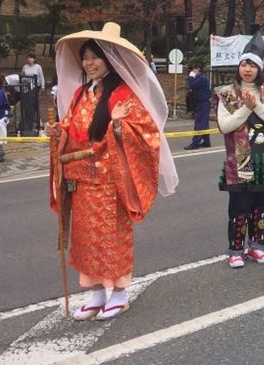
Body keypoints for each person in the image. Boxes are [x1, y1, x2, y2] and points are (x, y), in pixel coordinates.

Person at [46, 22, 178, 321]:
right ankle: (95, 293)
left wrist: (118, 125)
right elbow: (70, 127)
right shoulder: (81, 93)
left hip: (108, 180)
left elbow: (145, 134)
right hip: (79, 181)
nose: (89, 63)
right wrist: (57, 133)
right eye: (86, 57)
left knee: (111, 237)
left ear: (110, 59)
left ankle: (119, 293)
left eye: (95, 57)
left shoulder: (124, 95)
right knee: (84, 240)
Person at [216, 32, 264, 268]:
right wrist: (246, 108)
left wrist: (258, 106)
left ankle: (257, 246)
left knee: (260, 205)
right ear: (238, 66)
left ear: (259, 69)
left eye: (253, 65)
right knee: (239, 205)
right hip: (239, 158)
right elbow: (225, 126)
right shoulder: (226, 94)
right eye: (244, 63)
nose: (247, 69)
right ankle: (235, 249)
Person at [185, 63, 212, 150]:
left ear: (198, 69)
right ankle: (207, 141)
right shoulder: (200, 78)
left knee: (199, 123)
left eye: (194, 69)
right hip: (202, 103)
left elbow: (192, 85)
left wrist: (191, 77)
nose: (192, 71)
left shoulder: (201, 78)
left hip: (203, 103)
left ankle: (195, 143)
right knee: (204, 123)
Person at [20, 53, 46, 134]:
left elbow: (41, 76)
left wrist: (43, 86)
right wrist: (24, 79)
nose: (29, 59)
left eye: (31, 58)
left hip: (35, 86)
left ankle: (37, 121)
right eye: (28, 58)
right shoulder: (25, 67)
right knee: (28, 104)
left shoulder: (38, 67)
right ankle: (28, 122)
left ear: (34, 59)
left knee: (34, 103)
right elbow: (21, 75)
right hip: (27, 87)